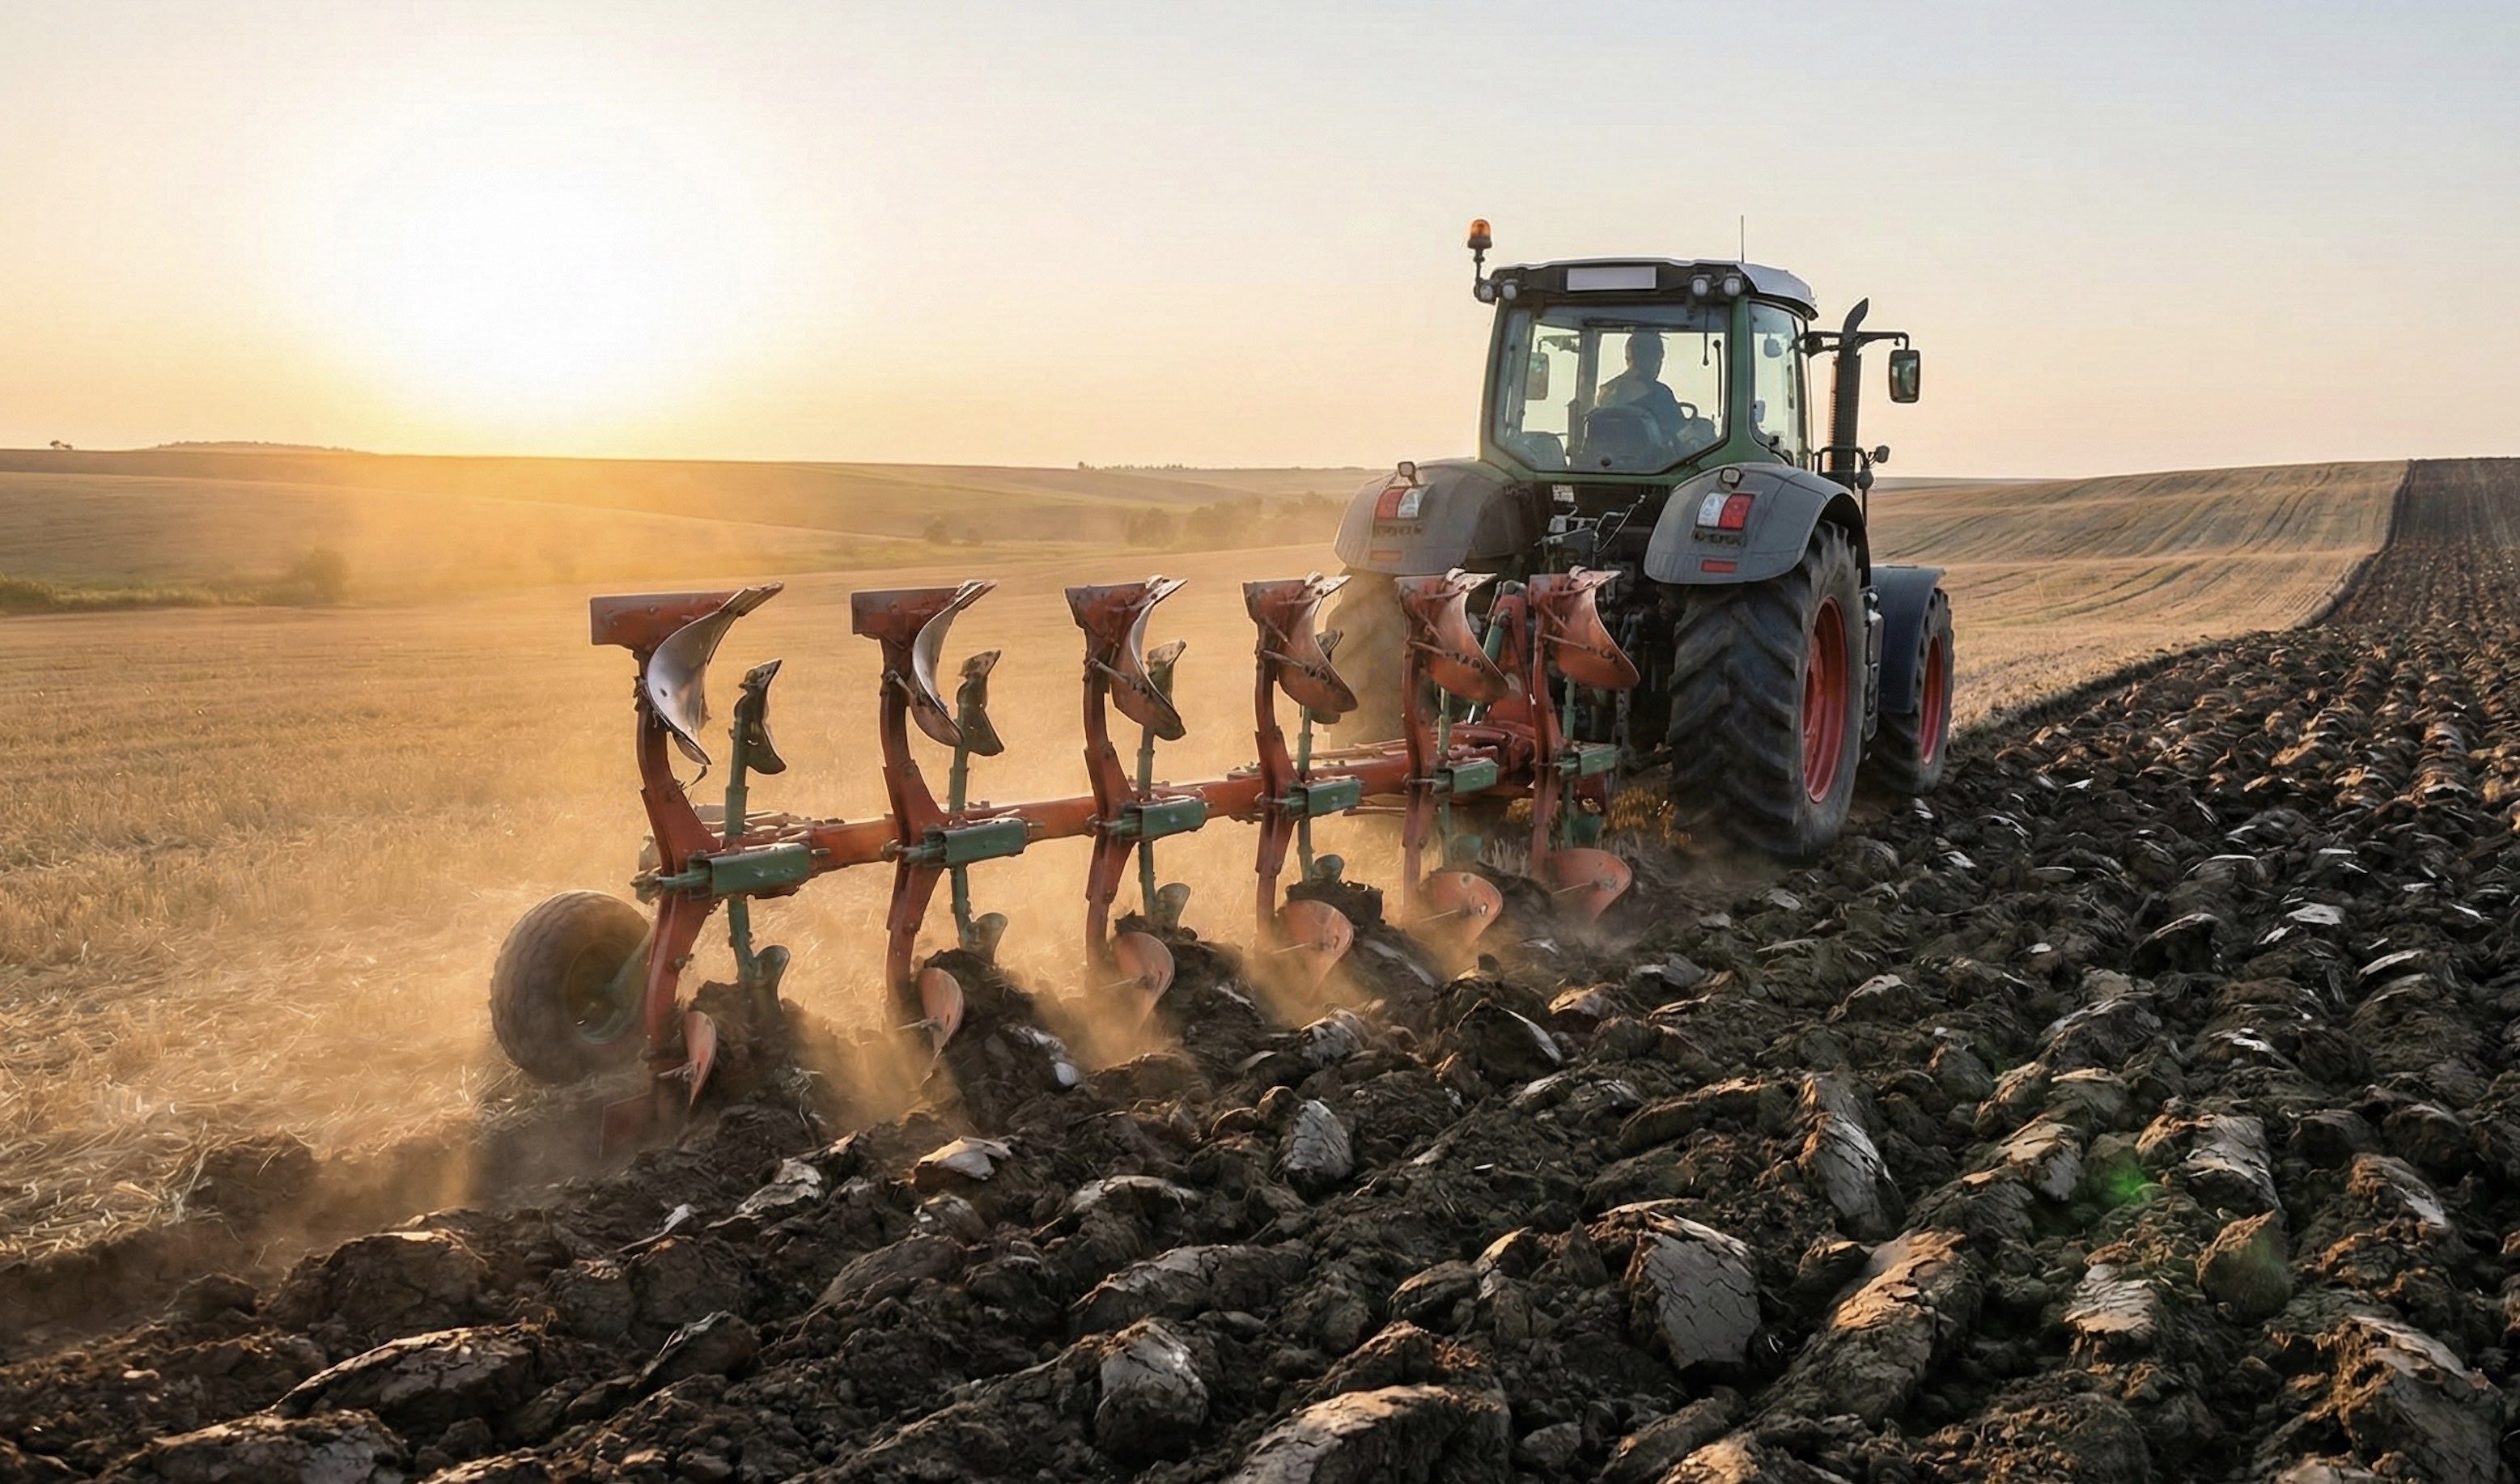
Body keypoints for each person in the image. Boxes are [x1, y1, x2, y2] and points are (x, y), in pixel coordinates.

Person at [1596, 331, 1686, 449]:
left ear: (1628, 357)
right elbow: (1682, 435)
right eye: (1660, 360)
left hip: (1607, 461)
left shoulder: (1605, 392)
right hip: (1655, 465)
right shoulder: (1659, 394)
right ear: (1655, 360)